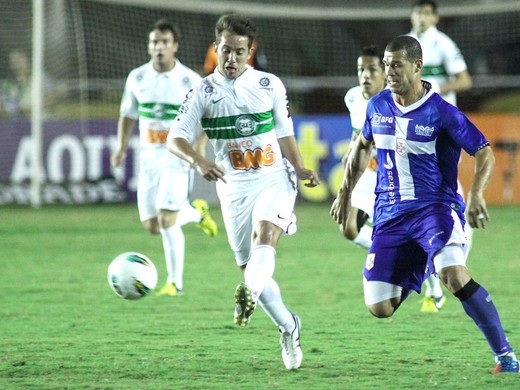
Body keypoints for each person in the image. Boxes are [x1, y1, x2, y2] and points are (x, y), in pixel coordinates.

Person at [330, 35, 520, 374]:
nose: (389, 72)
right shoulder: (377, 106)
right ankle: (423, 267)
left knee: (454, 275)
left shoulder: (442, 112)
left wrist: (476, 194)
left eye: (396, 65)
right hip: (389, 214)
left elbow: (484, 152)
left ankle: (505, 356)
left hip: (435, 210)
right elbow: (360, 149)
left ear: (417, 67)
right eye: (386, 65)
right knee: (380, 307)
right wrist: (343, 195)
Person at [167, 14, 319, 370]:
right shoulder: (202, 93)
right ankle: (288, 326)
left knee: (266, 234)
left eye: (239, 52)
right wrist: (198, 160)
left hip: (273, 177)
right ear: (215, 49)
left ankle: (248, 292)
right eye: (225, 51)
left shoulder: (269, 84)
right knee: (250, 265)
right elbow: (174, 140)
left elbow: (284, 134)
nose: (231, 58)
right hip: (233, 187)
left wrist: (298, 168)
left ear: (250, 52)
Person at [111, 19, 218, 297]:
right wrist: (121, 147)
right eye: (154, 42)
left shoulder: (190, 80)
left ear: (175, 46)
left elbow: (209, 117)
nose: (159, 47)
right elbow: (128, 114)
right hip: (148, 159)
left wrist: (200, 145)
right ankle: (196, 213)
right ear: (149, 46)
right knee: (152, 226)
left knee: (167, 218)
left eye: (164, 42)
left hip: (177, 156)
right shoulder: (137, 77)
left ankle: (175, 284)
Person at [408, 0, 474, 312]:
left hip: (442, 124)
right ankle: (432, 258)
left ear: (434, 17)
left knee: (445, 183)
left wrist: (435, 87)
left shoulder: (443, 43)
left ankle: (457, 239)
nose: (422, 17)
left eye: (427, 12)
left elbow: (464, 80)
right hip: (414, 124)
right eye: (418, 12)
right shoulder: (407, 44)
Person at [340, 46, 386, 249]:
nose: (365, 75)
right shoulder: (353, 97)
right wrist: (351, 150)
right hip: (367, 174)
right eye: (361, 69)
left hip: (392, 178)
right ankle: (391, 255)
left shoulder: (395, 101)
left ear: (385, 72)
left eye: (372, 70)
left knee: (399, 230)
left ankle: (428, 273)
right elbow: (356, 133)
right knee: (349, 228)